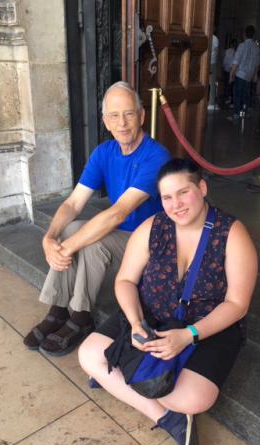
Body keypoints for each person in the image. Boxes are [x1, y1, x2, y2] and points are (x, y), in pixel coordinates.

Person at [79, 158, 258, 445]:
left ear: (202, 188)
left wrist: (189, 335)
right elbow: (124, 280)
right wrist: (136, 324)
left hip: (206, 327)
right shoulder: (153, 227)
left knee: (193, 398)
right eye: (166, 197)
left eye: (183, 192)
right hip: (151, 317)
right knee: (87, 355)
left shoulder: (232, 233)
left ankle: (123, 379)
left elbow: (237, 304)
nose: (176, 204)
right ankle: (166, 417)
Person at [23, 81, 170, 356]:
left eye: (129, 114)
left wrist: (65, 249)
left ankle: (80, 317)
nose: (122, 123)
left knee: (91, 243)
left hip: (148, 241)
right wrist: (50, 237)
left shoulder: (156, 155)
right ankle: (57, 310)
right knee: (70, 229)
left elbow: (118, 213)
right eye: (114, 115)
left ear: (141, 116)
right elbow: (73, 202)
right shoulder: (104, 152)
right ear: (105, 120)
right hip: (120, 233)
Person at [229, 25, 260, 121]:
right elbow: (257, 64)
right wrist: (255, 75)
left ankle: (236, 115)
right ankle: (245, 112)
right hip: (249, 76)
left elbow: (236, 61)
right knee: (246, 95)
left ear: (244, 34)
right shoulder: (256, 48)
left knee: (237, 95)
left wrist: (231, 75)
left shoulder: (242, 46)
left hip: (240, 74)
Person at [222, 39, 237, 105]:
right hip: (233, 70)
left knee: (226, 85)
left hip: (226, 69)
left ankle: (227, 98)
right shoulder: (236, 52)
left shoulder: (227, 51)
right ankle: (230, 99)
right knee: (231, 86)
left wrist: (223, 66)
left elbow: (225, 61)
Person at [207, 33, 220, 111]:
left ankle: (211, 103)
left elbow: (215, 51)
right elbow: (216, 51)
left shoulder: (214, 38)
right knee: (209, 82)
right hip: (210, 61)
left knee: (211, 83)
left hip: (211, 62)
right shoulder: (214, 38)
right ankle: (209, 102)